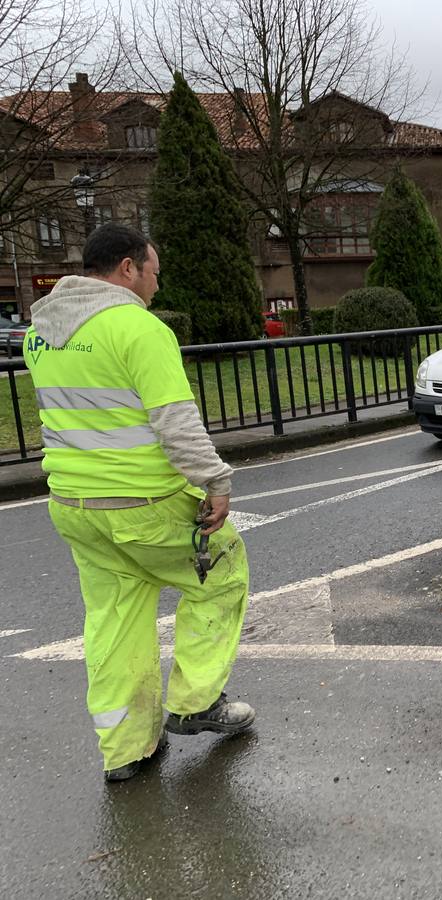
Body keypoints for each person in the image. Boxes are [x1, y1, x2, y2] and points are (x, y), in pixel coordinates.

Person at [23, 223, 254, 783]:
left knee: (115, 619)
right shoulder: (137, 327)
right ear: (128, 268)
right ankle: (197, 701)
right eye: (153, 272)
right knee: (221, 576)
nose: (156, 284)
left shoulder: (40, 333)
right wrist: (216, 482)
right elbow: (175, 423)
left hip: (74, 504)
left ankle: (126, 750)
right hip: (143, 501)